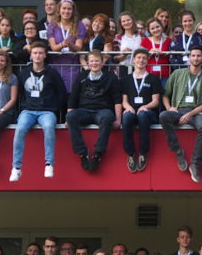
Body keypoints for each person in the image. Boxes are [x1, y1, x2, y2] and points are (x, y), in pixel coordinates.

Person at [9, 43, 67, 182]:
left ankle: (49, 164)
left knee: (48, 127)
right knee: (20, 129)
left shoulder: (52, 73)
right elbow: (18, 94)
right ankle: (16, 168)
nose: (37, 55)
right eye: (35, 53)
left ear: (45, 55)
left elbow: (61, 93)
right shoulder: (24, 73)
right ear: (31, 55)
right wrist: (18, 112)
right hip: (28, 111)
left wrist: (62, 114)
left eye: (40, 53)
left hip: (47, 111)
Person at [161, 47, 202, 182]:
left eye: (198, 56)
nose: (196, 58)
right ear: (189, 57)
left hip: (196, 112)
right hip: (178, 110)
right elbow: (165, 95)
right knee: (163, 116)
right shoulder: (177, 73)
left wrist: (190, 114)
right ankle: (177, 150)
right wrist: (169, 108)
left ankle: (195, 163)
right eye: (193, 55)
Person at [67, 50, 122, 172]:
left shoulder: (111, 77)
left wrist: (118, 120)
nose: (94, 63)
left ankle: (98, 153)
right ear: (88, 63)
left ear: (102, 63)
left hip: (102, 111)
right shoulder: (81, 76)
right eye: (91, 61)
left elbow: (117, 99)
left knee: (108, 117)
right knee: (70, 117)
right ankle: (82, 153)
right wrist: (68, 117)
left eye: (97, 61)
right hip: (84, 111)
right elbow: (73, 97)